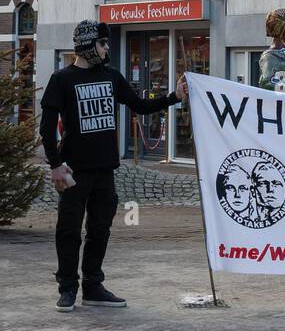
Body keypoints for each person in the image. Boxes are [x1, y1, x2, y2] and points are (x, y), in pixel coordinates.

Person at [39, 21, 188, 312]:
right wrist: (56, 165)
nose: (107, 48)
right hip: (73, 171)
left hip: (105, 169)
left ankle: (93, 287)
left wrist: (173, 98)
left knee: (100, 229)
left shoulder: (111, 77)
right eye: (103, 43)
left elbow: (139, 106)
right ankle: (68, 288)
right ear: (87, 45)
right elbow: (47, 129)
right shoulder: (62, 79)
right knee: (68, 231)